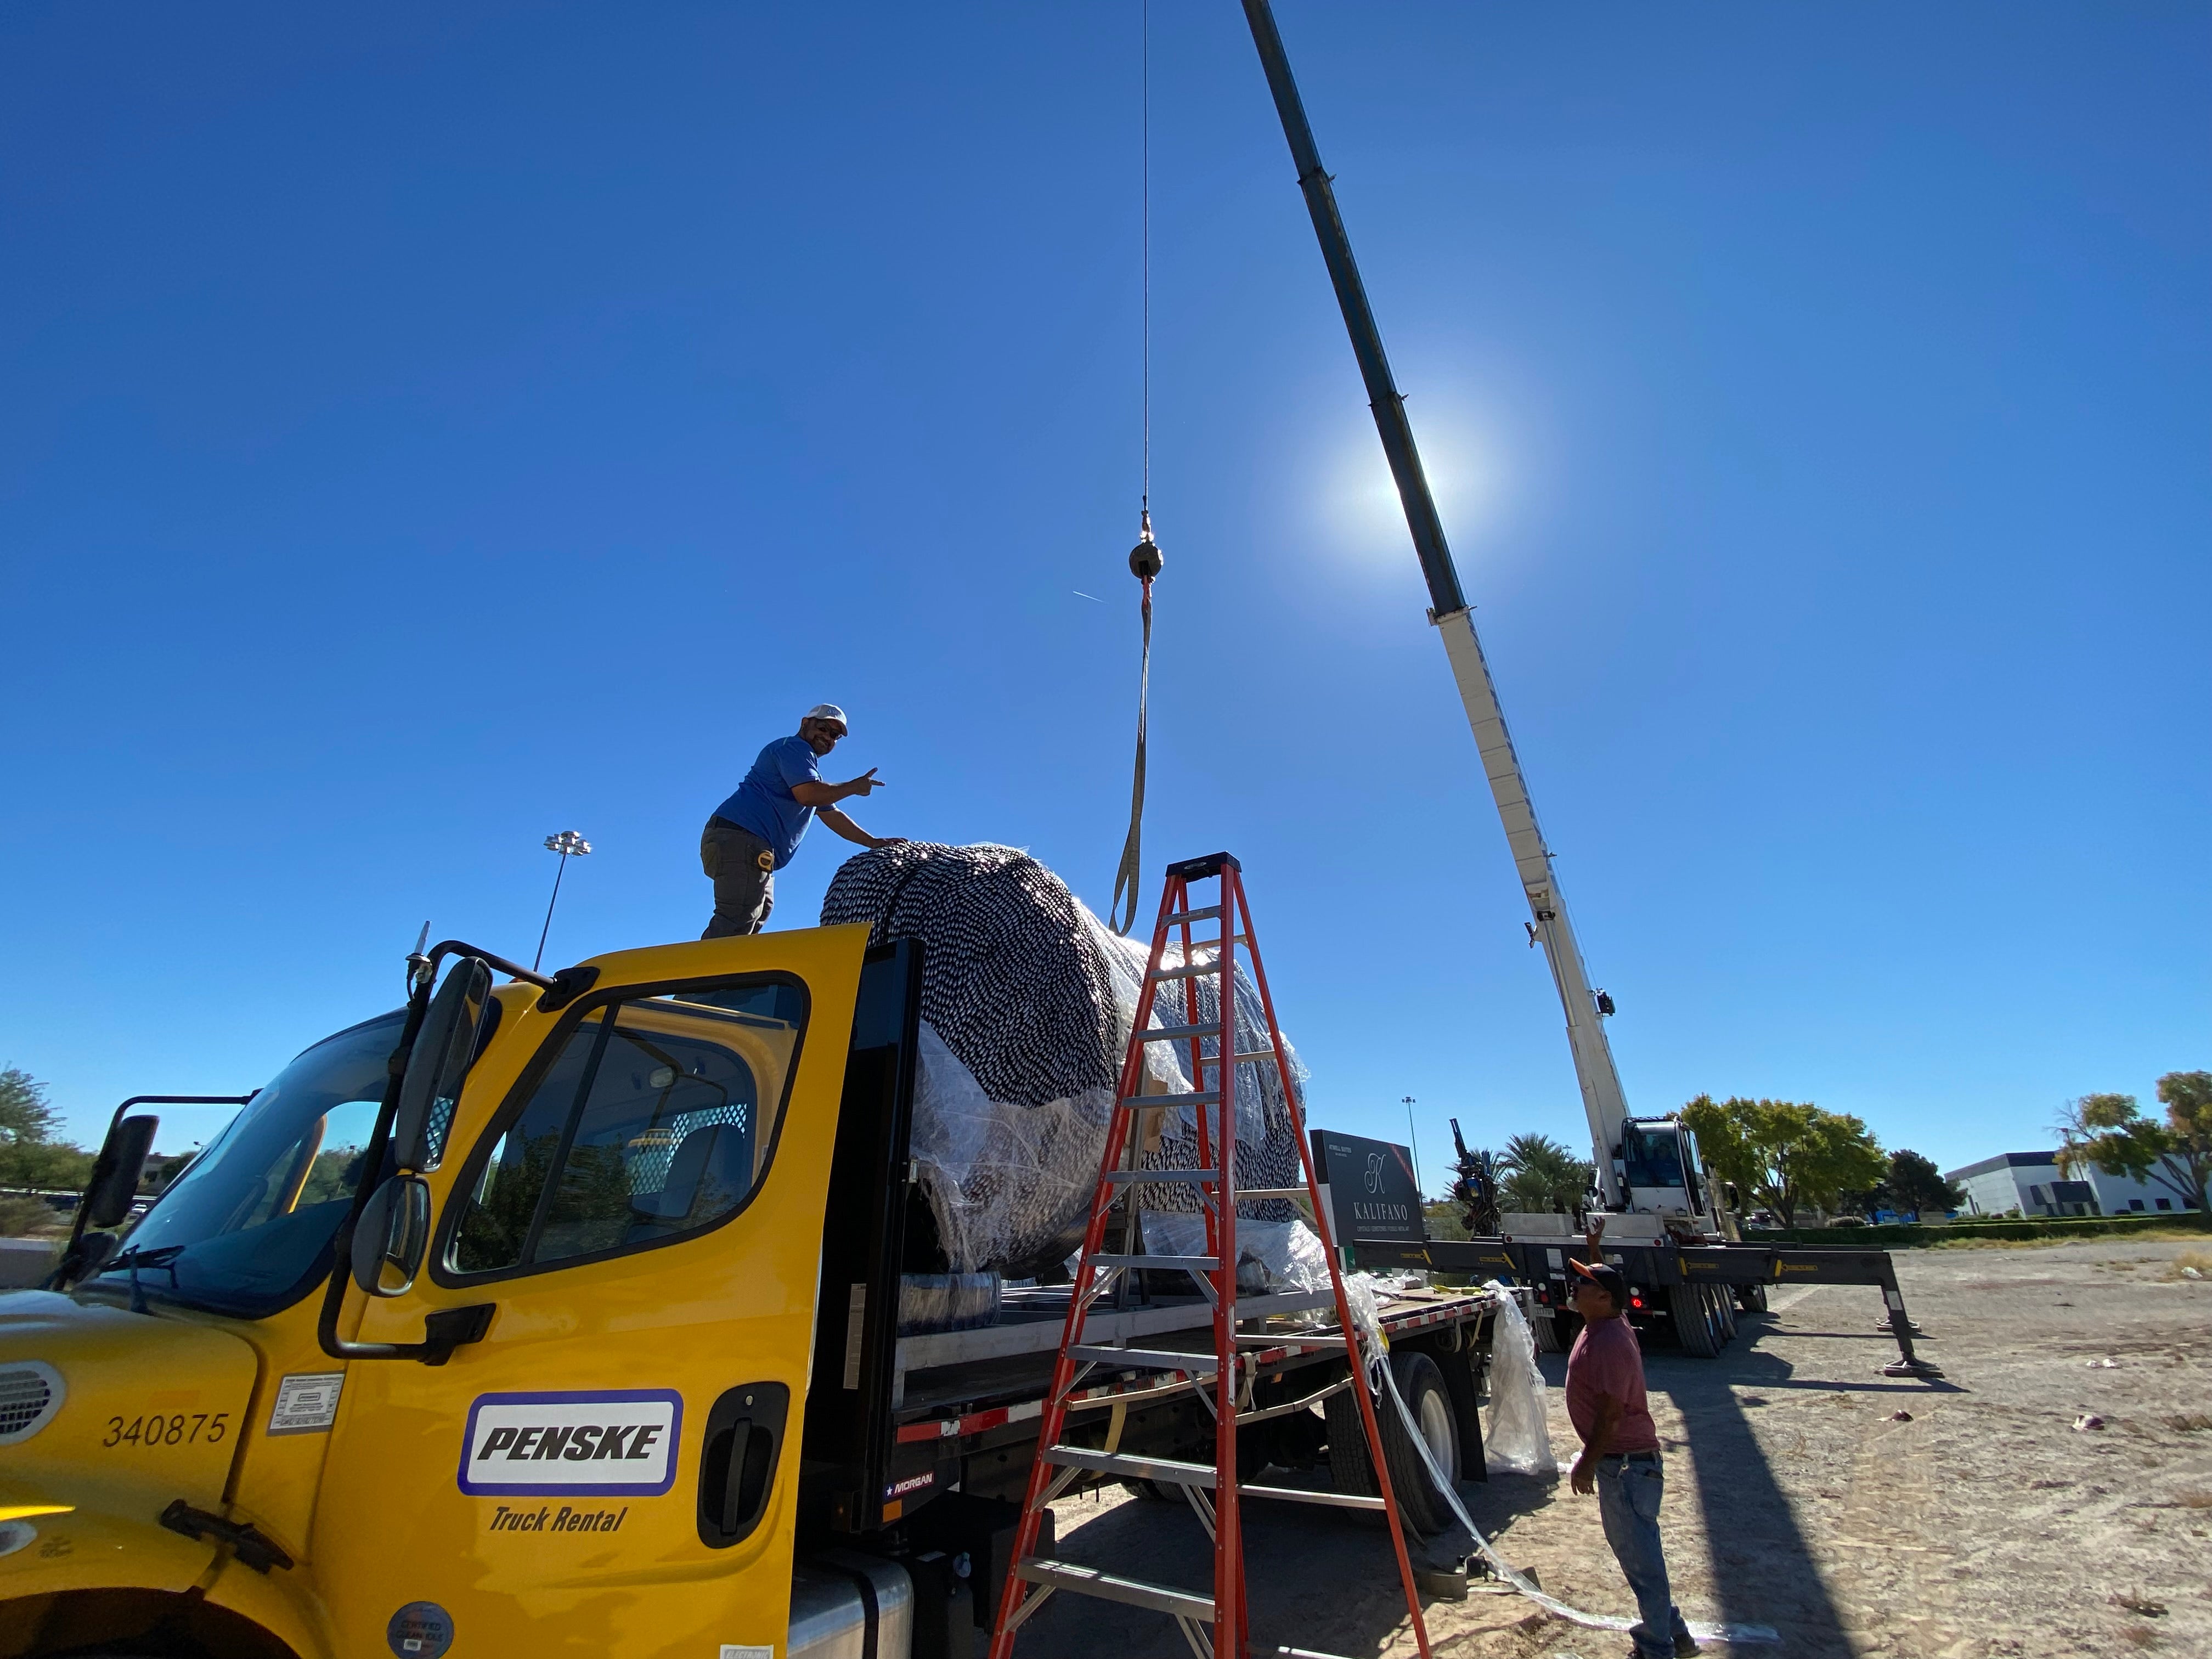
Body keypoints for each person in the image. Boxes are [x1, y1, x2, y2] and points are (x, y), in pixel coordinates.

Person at [1565, 1256, 1696, 1659]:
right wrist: (1593, 1249)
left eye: (1583, 1284)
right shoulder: (1609, 1322)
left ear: (1604, 1298)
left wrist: (1588, 1460)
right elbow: (1609, 1285)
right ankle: (1676, 1634)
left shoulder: (1609, 1341)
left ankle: (1657, 1649)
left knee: (1642, 1562)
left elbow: (1611, 1411)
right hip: (1625, 1464)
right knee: (1640, 1556)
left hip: (1625, 1465)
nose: (1574, 1287)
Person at [700, 704, 898, 939]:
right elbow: (809, 795)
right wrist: (854, 787)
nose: (827, 737)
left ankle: (727, 972)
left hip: (744, 844)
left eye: (834, 735)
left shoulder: (807, 769)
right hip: (741, 839)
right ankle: (697, 975)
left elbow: (831, 814)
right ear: (805, 723)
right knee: (738, 919)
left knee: (755, 915)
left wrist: (872, 842)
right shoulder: (795, 749)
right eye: (822, 728)